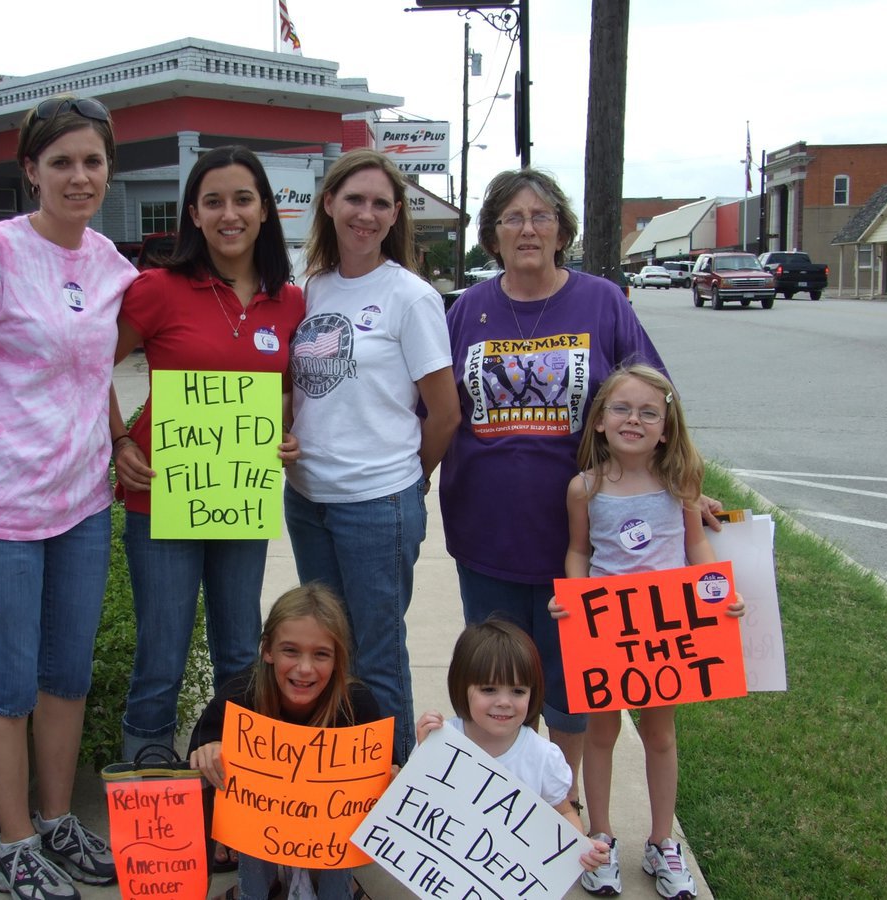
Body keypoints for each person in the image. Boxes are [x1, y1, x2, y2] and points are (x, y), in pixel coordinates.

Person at [0, 94, 137, 899]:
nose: (79, 176)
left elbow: (97, 369)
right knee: (7, 682)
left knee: (67, 675)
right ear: (31, 171)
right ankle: (13, 845)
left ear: (108, 170)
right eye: (62, 161)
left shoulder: (113, 266)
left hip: (80, 505)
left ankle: (54, 820)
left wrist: (118, 443)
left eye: (92, 161)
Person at [438, 166, 707, 808]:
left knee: (572, 685)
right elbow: (436, 409)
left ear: (562, 230)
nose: (528, 229)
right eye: (512, 218)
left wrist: (688, 488)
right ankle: (506, 807)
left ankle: (563, 806)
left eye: (542, 217)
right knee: (502, 682)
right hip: (488, 532)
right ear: (492, 235)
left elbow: (655, 401)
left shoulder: (603, 302)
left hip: (588, 540)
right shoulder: (466, 311)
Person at [112, 146, 304, 765]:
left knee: (239, 650)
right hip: (160, 493)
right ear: (192, 213)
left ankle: (235, 782)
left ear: (265, 210)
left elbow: (287, 389)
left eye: (243, 199)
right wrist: (116, 440)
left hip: (239, 494)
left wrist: (287, 432)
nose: (229, 214)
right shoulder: (157, 290)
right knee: (162, 650)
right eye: (213, 201)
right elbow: (84, 369)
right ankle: (150, 786)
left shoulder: (290, 301)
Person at [285, 148, 461, 766]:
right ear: (328, 203)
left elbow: (444, 414)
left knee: (377, 653)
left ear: (395, 218)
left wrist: (411, 484)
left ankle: (390, 794)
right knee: (325, 648)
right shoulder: (306, 290)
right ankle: (339, 781)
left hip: (377, 503)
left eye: (381, 204)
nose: (366, 213)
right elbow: (297, 390)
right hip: (307, 499)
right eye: (354, 199)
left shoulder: (409, 298)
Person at [550, 364, 745, 898]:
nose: (633, 419)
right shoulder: (584, 488)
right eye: (621, 408)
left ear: (666, 427)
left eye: (648, 412)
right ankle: (601, 838)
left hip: (666, 636)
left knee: (660, 737)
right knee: (601, 735)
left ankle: (662, 842)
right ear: (598, 422)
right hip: (606, 632)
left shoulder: (681, 481)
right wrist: (574, 597)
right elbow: (579, 552)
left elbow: (696, 544)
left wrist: (717, 590)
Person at [187, 583, 385, 900]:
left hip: (329, 829)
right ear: (267, 650)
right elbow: (195, 757)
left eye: (321, 654)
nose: (304, 669)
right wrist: (209, 752)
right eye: (290, 651)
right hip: (258, 830)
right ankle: (255, 891)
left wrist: (389, 774)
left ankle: (337, 890)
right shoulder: (240, 695)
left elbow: (386, 767)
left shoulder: (356, 704)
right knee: (241, 785)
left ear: (338, 660)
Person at [415, 619, 610, 873]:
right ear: (462, 688)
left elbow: (562, 812)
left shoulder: (542, 758)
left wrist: (578, 846)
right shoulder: (440, 740)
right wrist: (426, 755)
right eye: (489, 689)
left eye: (518, 691)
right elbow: (416, 804)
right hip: (448, 876)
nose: (504, 702)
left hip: (513, 877)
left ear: (533, 693)